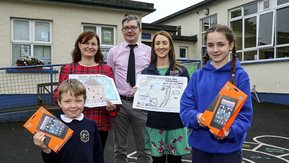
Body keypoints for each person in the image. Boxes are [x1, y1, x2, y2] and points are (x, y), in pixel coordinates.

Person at [180, 24, 253, 163]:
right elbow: (185, 108)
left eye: (220, 44)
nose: (215, 50)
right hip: (199, 149)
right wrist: (197, 117)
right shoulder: (197, 76)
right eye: (210, 45)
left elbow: (245, 116)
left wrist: (229, 131)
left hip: (228, 151)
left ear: (231, 45)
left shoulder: (240, 76)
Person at [53, 31, 117, 149]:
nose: (90, 47)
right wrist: (68, 100)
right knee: (73, 156)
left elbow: (113, 97)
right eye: (86, 43)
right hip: (72, 122)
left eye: (94, 44)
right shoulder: (68, 69)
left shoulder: (106, 70)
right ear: (79, 45)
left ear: (98, 47)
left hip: (100, 123)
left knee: (96, 157)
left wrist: (112, 106)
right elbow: (57, 95)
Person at [107, 15, 151, 163]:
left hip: (142, 104)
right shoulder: (114, 52)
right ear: (122, 30)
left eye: (133, 27)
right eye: (126, 28)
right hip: (121, 104)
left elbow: (153, 77)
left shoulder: (149, 51)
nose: (130, 30)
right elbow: (110, 76)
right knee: (119, 147)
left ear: (140, 29)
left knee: (144, 147)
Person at [141, 31, 191, 163]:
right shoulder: (146, 73)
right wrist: (139, 92)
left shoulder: (181, 71)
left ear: (170, 46)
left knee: (176, 160)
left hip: (176, 124)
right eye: (157, 43)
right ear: (153, 47)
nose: (161, 46)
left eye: (164, 43)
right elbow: (144, 99)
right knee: (158, 161)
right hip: (155, 124)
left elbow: (189, 97)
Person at [34, 79, 104, 163]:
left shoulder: (91, 125)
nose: (73, 106)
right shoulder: (54, 125)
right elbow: (50, 160)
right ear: (59, 103)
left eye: (78, 101)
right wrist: (45, 148)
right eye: (67, 101)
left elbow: (98, 154)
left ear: (84, 101)